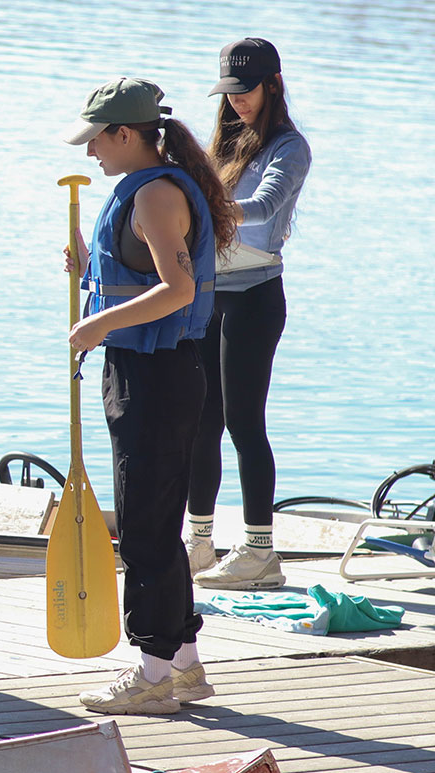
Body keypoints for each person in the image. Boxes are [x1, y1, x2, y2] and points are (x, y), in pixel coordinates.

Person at [62, 78, 238, 714]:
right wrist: (91, 271)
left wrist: (97, 323)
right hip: (145, 371)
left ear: (126, 134)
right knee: (154, 522)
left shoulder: (157, 194)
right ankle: (184, 667)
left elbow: (179, 291)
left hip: (158, 378)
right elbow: (145, 278)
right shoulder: (140, 192)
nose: (91, 155)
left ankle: (152, 674)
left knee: (144, 528)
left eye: (97, 141)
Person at [188, 39, 311, 590]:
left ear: (273, 84)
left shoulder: (289, 146)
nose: (236, 101)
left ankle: (260, 553)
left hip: (256, 298)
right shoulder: (224, 142)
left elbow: (266, 206)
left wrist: (207, 207)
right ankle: (197, 543)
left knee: (243, 423)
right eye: (229, 92)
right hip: (211, 294)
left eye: (247, 90)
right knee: (200, 422)